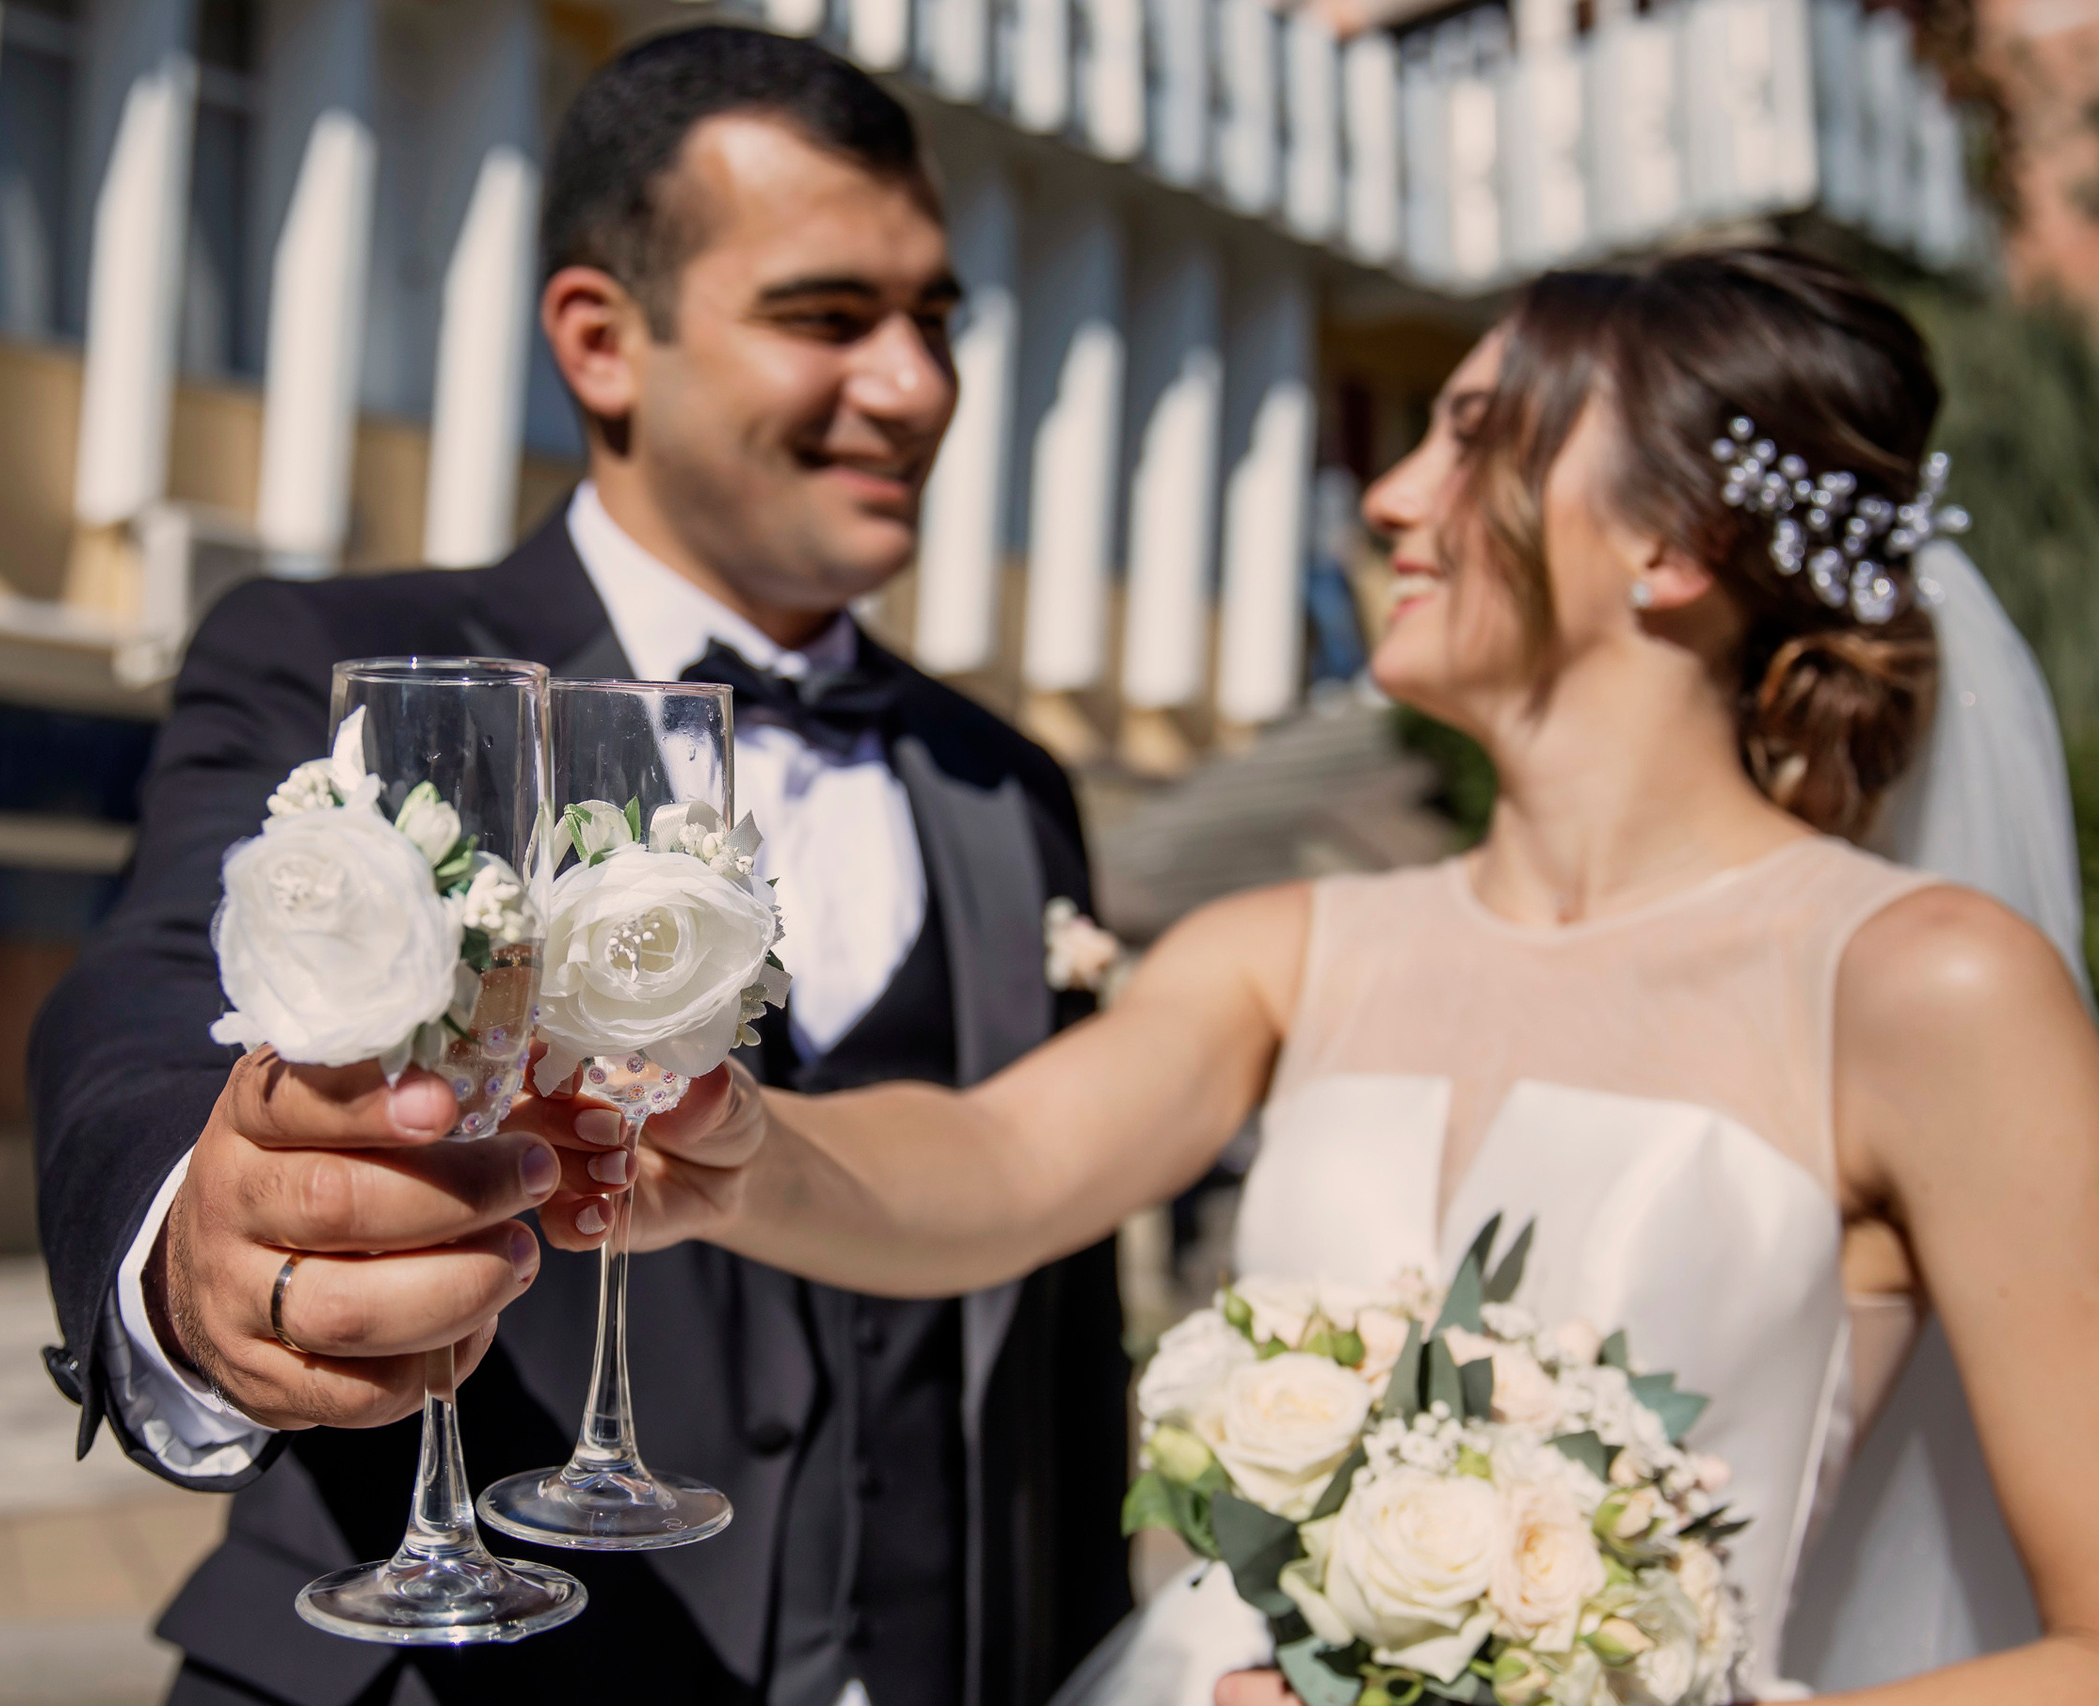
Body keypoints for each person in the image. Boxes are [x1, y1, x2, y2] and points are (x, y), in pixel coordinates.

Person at [520, 248, 2099, 1704]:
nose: (1397, 494)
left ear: (1675, 544)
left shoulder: (1922, 985)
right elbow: (997, 1160)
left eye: (1477, 436)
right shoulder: (1286, 945)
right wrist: (738, 1155)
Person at [29, 25, 1129, 1706]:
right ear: (603, 341)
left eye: (935, 322)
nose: (914, 385)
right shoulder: (338, 660)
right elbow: (144, 999)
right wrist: (200, 1263)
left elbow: (1050, 1323)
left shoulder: (1008, 782)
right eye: (828, 317)